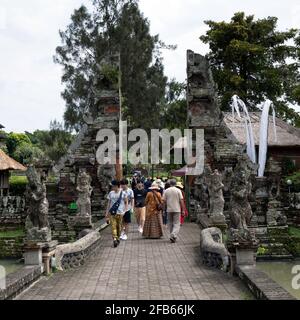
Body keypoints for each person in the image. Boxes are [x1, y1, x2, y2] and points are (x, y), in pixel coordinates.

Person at [105, 180, 128, 248]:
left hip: (120, 212)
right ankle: (115, 239)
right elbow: (109, 203)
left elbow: (126, 202)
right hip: (112, 212)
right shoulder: (111, 193)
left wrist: (125, 210)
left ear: (116, 186)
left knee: (119, 227)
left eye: (113, 186)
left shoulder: (123, 193)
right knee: (113, 226)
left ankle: (117, 238)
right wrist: (107, 212)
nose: (112, 187)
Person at [163, 179, 185, 243]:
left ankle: (172, 236)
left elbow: (163, 201)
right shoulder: (178, 190)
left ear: (170, 184)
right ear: (175, 184)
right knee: (177, 223)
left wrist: (164, 210)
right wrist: (183, 209)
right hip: (177, 209)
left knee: (170, 223)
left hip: (169, 209)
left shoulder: (166, 191)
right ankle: (173, 234)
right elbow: (181, 200)